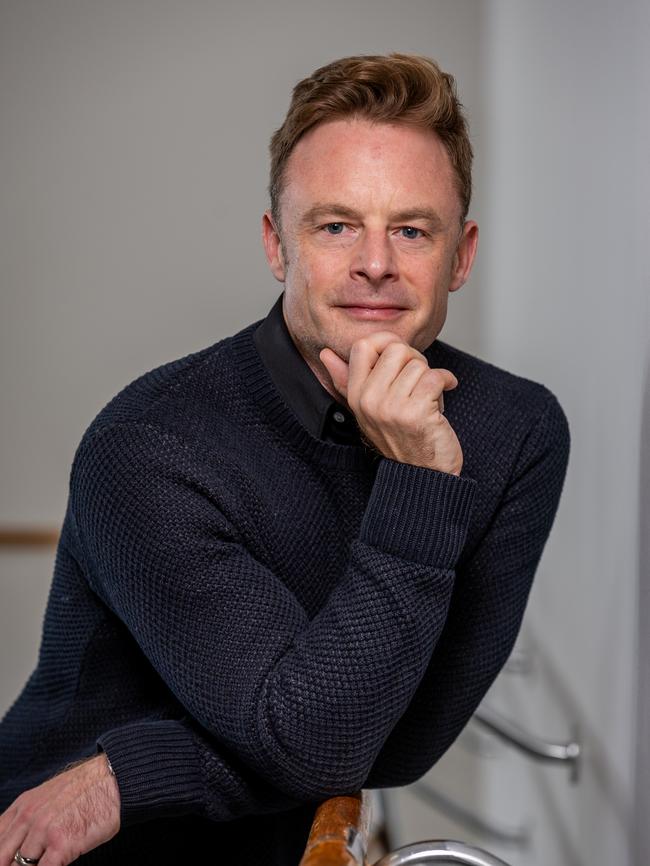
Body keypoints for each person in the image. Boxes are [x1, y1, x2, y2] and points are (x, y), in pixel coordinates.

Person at [0, 53, 570, 865]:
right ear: (277, 245)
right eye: (336, 225)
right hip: (61, 846)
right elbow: (318, 744)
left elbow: (398, 744)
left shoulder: (514, 431)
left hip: (284, 841)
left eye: (411, 229)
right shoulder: (150, 445)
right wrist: (416, 479)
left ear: (462, 255)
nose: (375, 262)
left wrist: (133, 774)